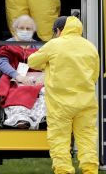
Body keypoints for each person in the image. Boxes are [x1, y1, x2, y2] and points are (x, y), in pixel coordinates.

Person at [28, 16, 100, 174]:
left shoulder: (54, 45)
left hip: (60, 106)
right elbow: (94, 75)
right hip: (86, 104)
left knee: (60, 142)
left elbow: (32, 61)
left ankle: (64, 171)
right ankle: (90, 171)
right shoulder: (90, 47)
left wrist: (47, 63)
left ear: (58, 31)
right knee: (87, 141)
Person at [0, 15, 46, 129]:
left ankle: (41, 119)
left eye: (28, 29)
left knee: (46, 91)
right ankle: (21, 119)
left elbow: (45, 64)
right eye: (21, 28)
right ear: (15, 29)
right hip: (14, 79)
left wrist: (43, 76)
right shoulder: (7, 44)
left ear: (33, 31)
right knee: (18, 91)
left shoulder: (38, 46)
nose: (25, 31)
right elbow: (3, 63)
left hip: (35, 79)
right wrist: (18, 76)